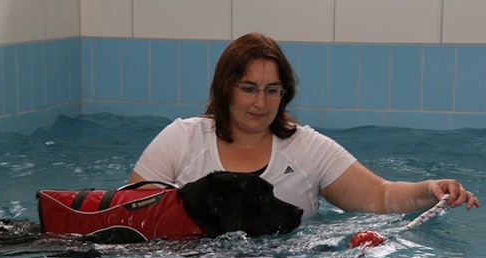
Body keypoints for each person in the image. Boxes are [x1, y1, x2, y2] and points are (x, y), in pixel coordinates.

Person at [128, 32, 479, 220]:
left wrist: (429, 189)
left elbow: (380, 195)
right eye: (248, 88)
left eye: (272, 91)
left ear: (285, 94)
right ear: (225, 89)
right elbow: (130, 217)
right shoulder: (181, 139)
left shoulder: (307, 147)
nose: (260, 102)